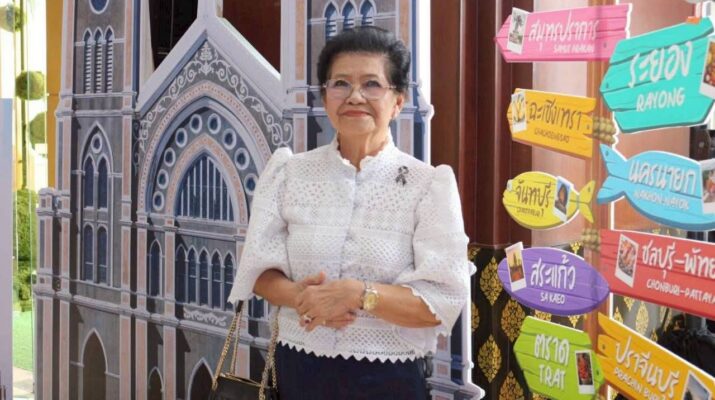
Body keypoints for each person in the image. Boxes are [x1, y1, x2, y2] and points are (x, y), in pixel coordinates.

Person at [228, 26, 472, 399]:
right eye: (340, 84)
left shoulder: (428, 185)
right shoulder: (289, 172)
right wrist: (301, 297)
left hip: (388, 379)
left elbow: (442, 300)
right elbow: (258, 271)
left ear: (398, 101)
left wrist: (358, 294)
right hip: (298, 370)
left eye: (372, 84)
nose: (355, 96)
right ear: (325, 98)